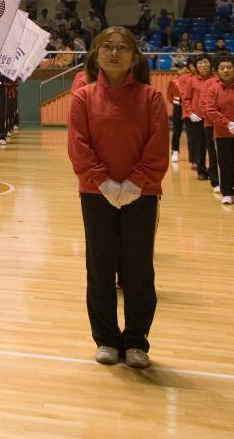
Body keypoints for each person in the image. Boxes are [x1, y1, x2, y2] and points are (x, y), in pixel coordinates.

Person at [67, 26, 168, 370]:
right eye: (107, 46)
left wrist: (136, 183)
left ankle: (137, 339)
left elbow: (157, 146)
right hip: (97, 195)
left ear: (134, 57)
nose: (114, 52)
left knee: (139, 268)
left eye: (122, 47)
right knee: (100, 266)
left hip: (142, 195)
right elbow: (79, 145)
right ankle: (107, 338)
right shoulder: (82, 97)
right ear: (96, 54)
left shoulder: (151, 98)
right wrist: (104, 183)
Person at [201, 54, 234, 205]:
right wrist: (228, 124)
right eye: (222, 68)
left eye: (229, 67)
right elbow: (210, 110)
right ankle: (227, 192)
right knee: (225, 164)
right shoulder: (213, 89)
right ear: (217, 71)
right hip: (222, 133)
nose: (226, 71)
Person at [180, 54, 215, 184]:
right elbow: (186, 98)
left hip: (212, 119)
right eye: (200, 63)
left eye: (206, 62)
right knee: (199, 145)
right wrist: (190, 113)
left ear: (211, 64)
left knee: (212, 146)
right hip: (197, 118)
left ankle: (213, 171)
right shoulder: (192, 80)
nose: (203, 65)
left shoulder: (216, 79)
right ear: (196, 67)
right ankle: (201, 171)